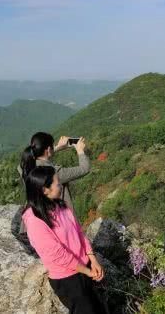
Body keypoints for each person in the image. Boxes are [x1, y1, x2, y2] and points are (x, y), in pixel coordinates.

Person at [22, 166, 108, 314]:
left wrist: (93, 260)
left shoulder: (59, 206)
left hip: (84, 268)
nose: (61, 186)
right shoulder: (35, 220)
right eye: (57, 183)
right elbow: (57, 254)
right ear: (44, 190)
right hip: (68, 278)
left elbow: (79, 234)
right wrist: (87, 271)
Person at [17, 132, 90, 216]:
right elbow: (85, 168)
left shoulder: (26, 166)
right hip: (56, 217)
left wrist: (57, 148)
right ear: (48, 149)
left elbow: (37, 156)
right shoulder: (53, 173)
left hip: (35, 213)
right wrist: (80, 151)